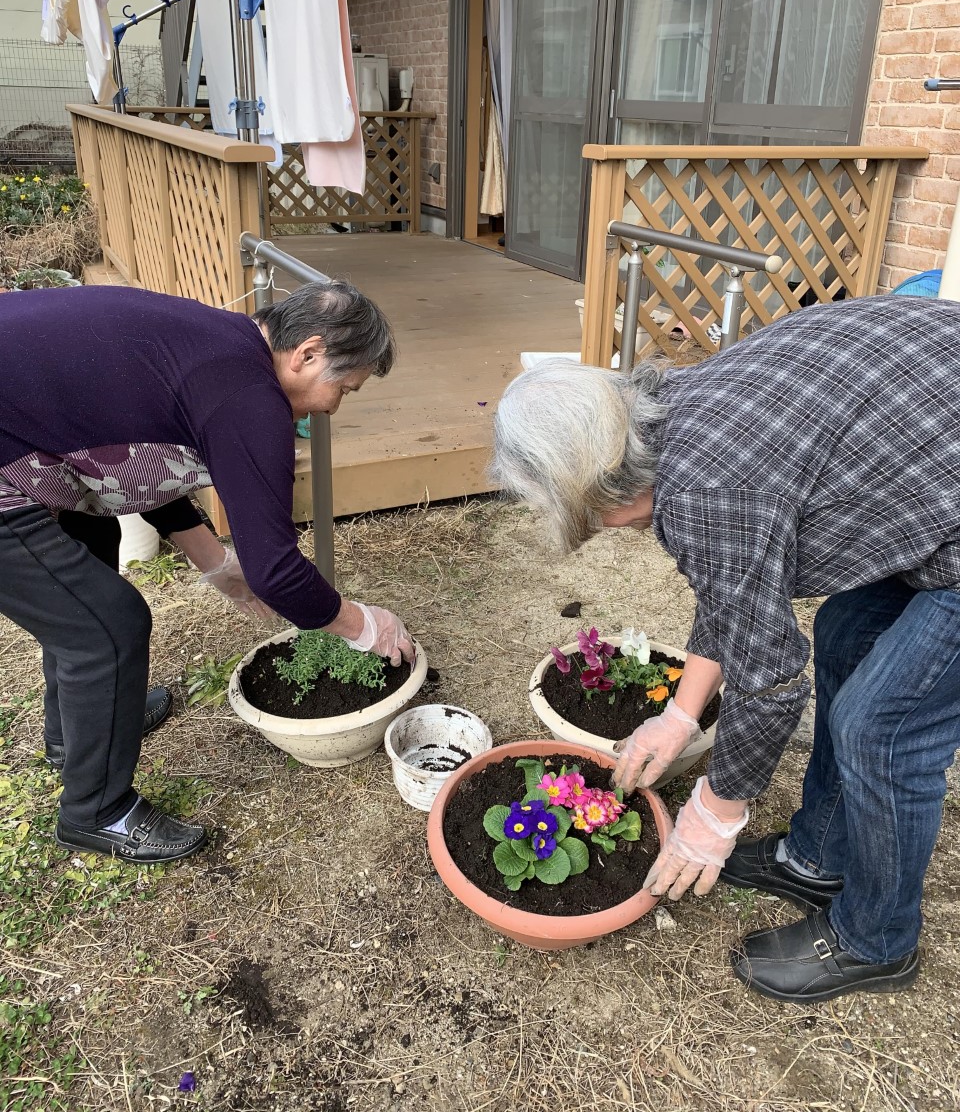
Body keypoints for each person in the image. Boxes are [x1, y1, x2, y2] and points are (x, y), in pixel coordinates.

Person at [491, 294, 960, 1004]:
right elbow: (739, 588)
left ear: (600, 488)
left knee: (881, 726)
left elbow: (771, 683)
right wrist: (682, 714)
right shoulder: (682, 409)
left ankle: (877, 940)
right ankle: (818, 857)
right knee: (845, 632)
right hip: (933, 457)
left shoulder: (708, 489)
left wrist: (715, 813)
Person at [0, 282, 414, 866]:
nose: (331, 408)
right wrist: (362, 625)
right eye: (342, 388)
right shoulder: (248, 394)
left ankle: (76, 735)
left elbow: (124, 455)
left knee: (84, 556)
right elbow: (276, 569)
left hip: (29, 440)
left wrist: (217, 564)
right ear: (308, 353)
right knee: (106, 627)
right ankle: (96, 812)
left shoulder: (219, 345)